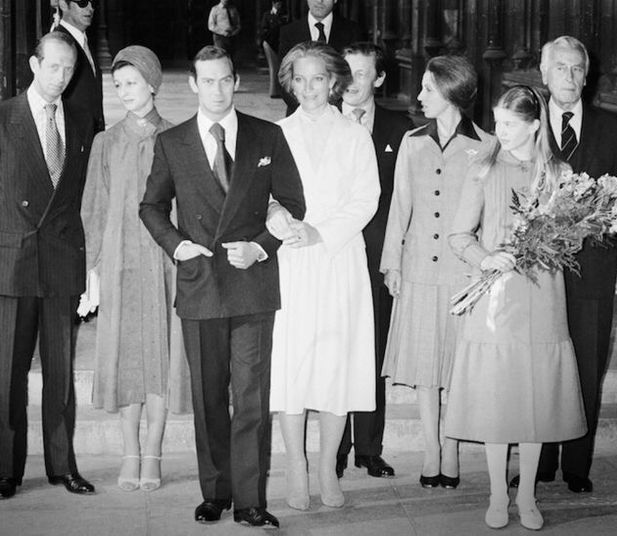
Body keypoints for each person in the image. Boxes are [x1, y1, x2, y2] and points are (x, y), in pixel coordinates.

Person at [139, 45, 305, 529]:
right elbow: (151, 206)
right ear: (193, 84)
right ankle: (216, 493)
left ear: (236, 81)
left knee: (251, 395)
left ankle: (251, 501)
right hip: (201, 283)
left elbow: (292, 200)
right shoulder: (173, 143)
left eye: (224, 80)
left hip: (252, 281)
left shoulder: (265, 134)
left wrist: (261, 246)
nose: (217, 90)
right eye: (207, 81)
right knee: (210, 397)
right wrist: (176, 246)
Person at [445, 85, 587, 530]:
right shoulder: (483, 169)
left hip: (543, 295)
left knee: (533, 398)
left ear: (533, 125)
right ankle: (495, 492)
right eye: (497, 122)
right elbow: (458, 235)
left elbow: (571, 234)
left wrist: (561, 238)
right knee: (497, 397)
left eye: (509, 124)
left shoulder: (559, 173)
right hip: (497, 296)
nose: (499, 131)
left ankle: (527, 495)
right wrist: (486, 258)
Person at [0, 31, 96, 500]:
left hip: (61, 261)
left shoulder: (82, 121)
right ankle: (9, 471)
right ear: (34, 65)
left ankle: (63, 466)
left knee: (60, 375)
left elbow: (81, 195)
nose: (61, 76)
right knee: (9, 374)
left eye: (69, 69)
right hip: (14, 262)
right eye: (54, 66)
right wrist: (8, 239)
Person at [509, 35, 617, 495]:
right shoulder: (525, 125)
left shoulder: (612, 127)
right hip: (537, 270)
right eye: (560, 68)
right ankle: (540, 460)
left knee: (587, 365)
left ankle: (577, 465)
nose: (569, 76)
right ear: (543, 75)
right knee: (540, 363)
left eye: (577, 69)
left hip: (596, 269)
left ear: (588, 76)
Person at [267, 41, 379, 511]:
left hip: (336, 259)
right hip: (291, 261)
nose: (309, 88)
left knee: (336, 365)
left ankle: (326, 467)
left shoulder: (354, 135)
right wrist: (274, 216)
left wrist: (320, 231)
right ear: (289, 83)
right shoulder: (274, 133)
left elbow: (366, 198)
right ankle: (296, 466)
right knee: (292, 366)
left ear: (335, 83)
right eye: (300, 79)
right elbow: (261, 193)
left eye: (319, 79)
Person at [81, 46, 190, 493]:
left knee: (162, 356)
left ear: (152, 83)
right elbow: (94, 207)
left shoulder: (178, 138)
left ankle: (155, 451)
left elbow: (187, 204)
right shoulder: (107, 142)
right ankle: (130, 451)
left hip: (164, 262)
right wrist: (94, 269)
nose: (125, 92)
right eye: (118, 85)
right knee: (128, 357)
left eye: (132, 83)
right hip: (122, 260)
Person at [380, 55, 492, 490]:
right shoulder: (412, 141)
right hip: (418, 270)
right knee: (426, 368)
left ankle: (451, 448)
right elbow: (400, 207)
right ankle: (431, 449)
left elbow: (491, 214)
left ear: (450, 92)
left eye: (428, 88)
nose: (420, 96)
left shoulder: (486, 145)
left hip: (464, 275)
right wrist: (392, 263)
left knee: (456, 368)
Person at [334, 42, 413, 481]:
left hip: (378, 257)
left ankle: (368, 447)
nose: (350, 82)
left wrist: (396, 257)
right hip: (333, 254)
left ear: (379, 79)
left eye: (361, 74)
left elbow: (407, 200)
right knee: (337, 348)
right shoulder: (322, 123)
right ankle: (335, 446)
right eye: (344, 72)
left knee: (373, 348)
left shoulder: (401, 130)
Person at [278, 0, 362, 115]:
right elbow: (284, 82)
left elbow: (354, 78)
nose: (319, 1)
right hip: (299, 115)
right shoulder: (289, 32)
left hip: (340, 115)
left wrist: (331, 112)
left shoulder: (353, 31)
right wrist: (308, 110)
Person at [54, 0, 104, 134]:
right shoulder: (57, 43)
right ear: (64, 5)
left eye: (93, 2)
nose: (90, 8)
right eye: (82, 2)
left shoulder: (84, 41)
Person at [260, 0, 287, 98]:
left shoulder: (284, 15)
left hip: (279, 44)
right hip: (269, 44)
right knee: (273, 68)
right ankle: (273, 92)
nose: (279, 5)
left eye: (280, 3)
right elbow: (263, 29)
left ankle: (279, 91)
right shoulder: (267, 15)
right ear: (273, 4)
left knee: (280, 68)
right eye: (277, 3)